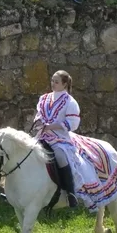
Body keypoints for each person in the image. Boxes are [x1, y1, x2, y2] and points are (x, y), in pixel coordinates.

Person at [32, 70, 83, 208]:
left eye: (56, 82)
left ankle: (71, 192)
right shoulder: (44, 98)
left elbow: (72, 123)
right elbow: (39, 115)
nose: (53, 84)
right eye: (52, 81)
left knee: (60, 156)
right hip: (41, 135)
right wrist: (39, 122)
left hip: (60, 138)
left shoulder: (70, 102)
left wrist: (51, 127)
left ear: (65, 84)